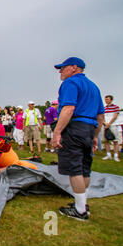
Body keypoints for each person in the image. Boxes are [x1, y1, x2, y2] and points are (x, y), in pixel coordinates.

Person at [51, 57, 104, 221]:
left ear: (74, 68)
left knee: (74, 168)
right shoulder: (94, 87)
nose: (60, 71)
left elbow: (68, 108)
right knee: (84, 167)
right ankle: (82, 204)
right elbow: (100, 115)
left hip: (74, 127)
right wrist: (95, 136)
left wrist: (57, 132)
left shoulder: (70, 83)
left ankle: (80, 211)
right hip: (89, 128)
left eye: (63, 68)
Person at [101, 95, 122, 162]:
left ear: (111, 100)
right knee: (106, 141)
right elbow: (102, 117)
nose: (106, 100)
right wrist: (105, 123)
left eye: (107, 99)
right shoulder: (104, 108)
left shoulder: (115, 107)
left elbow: (115, 116)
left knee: (115, 141)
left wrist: (109, 124)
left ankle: (116, 155)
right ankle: (108, 155)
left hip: (113, 125)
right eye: (105, 99)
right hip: (105, 125)